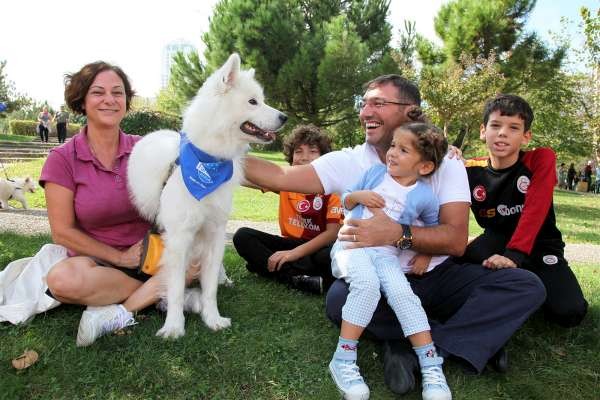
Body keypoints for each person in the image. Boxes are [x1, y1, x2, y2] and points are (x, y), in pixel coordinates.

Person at [244, 74, 546, 395]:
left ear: (409, 110)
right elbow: (279, 174)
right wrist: (208, 150)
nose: (365, 111)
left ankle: (418, 347)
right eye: (365, 103)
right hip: (378, 276)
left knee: (525, 285)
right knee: (339, 301)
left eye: (379, 103)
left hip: (435, 275)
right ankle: (466, 339)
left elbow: (456, 239)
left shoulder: (444, 162)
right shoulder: (353, 162)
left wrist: (398, 234)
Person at [40, 61, 199, 347]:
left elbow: (199, 162)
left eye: (118, 92)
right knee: (61, 281)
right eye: (98, 92)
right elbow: (62, 232)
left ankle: (121, 312)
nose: (110, 100)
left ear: (127, 100)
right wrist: (119, 258)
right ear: (82, 101)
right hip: (97, 262)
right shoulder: (62, 158)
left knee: (195, 257)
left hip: (152, 255)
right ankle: (160, 294)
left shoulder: (146, 147)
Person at [328, 123, 450, 400]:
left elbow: (433, 228)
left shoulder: (424, 196)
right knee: (367, 285)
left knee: (403, 294)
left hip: (386, 255)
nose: (392, 152)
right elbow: (345, 198)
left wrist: (427, 253)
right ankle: (343, 359)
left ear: (425, 167)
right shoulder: (374, 174)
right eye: (393, 145)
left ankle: (431, 366)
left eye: (403, 150)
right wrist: (359, 196)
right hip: (352, 245)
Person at [462, 94, 588, 327]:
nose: (502, 133)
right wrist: (444, 153)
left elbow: (535, 209)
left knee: (570, 312)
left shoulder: (540, 159)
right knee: (455, 267)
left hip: (539, 245)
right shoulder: (467, 169)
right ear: (483, 131)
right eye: (496, 125)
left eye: (513, 128)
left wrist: (514, 256)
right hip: (496, 241)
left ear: (526, 136)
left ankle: (527, 284)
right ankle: (509, 288)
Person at [233, 124, 343, 294]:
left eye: (313, 151)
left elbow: (333, 233)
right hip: (290, 244)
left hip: (318, 248)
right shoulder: (286, 184)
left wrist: (295, 254)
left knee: (330, 256)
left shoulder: (333, 188)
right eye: (298, 151)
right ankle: (296, 278)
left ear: (324, 157)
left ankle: (269, 267)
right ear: (291, 157)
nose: (304, 157)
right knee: (243, 236)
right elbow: (243, 178)